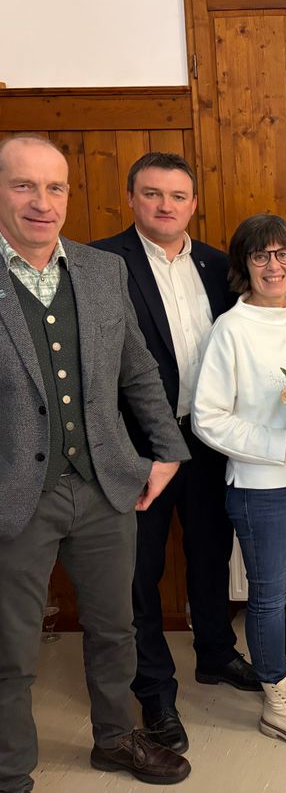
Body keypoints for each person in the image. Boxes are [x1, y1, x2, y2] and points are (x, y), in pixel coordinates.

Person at [0, 134, 191, 790]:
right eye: (24, 185)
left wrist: (167, 449)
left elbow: (139, 372)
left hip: (107, 487)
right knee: (13, 648)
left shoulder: (101, 272)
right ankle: (11, 771)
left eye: (54, 187)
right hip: (13, 496)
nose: (41, 202)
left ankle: (114, 740)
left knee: (116, 629)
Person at [91, 153, 258, 755]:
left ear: (193, 203)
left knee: (212, 553)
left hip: (208, 440)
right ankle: (156, 694)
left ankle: (215, 653)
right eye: (153, 194)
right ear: (131, 198)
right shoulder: (97, 263)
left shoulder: (218, 265)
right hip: (136, 449)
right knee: (141, 575)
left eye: (178, 195)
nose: (166, 205)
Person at [192, 213, 286, 750]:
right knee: (266, 598)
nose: (273, 265)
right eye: (261, 256)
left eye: (283, 255)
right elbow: (207, 417)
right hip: (260, 485)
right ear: (244, 266)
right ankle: (275, 699)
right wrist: (281, 443)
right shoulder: (230, 329)